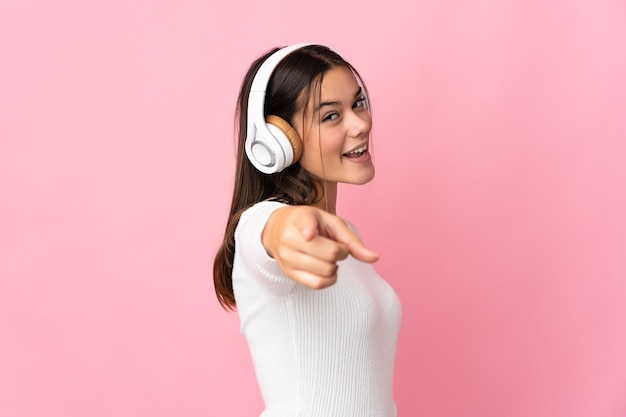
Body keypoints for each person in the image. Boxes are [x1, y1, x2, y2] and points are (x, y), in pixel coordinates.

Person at [213, 43, 402, 417]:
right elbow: (267, 234)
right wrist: (287, 226)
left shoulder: (347, 234)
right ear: (278, 140)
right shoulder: (261, 223)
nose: (360, 123)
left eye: (358, 102)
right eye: (331, 116)